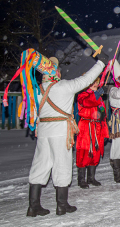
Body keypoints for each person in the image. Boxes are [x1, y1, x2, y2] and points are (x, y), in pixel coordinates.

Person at [11, 49, 108, 216]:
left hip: (43, 131)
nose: (60, 72)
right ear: (54, 72)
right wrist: (101, 63)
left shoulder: (38, 89)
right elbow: (86, 80)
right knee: (62, 164)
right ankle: (62, 205)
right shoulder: (63, 86)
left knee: (40, 165)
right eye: (58, 70)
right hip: (60, 130)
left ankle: (33, 206)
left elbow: (33, 110)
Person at [76, 77, 109, 188]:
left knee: (95, 152)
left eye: (97, 82)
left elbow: (103, 115)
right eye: (93, 82)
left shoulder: (99, 98)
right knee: (85, 152)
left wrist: (105, 132)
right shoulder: (82, 95)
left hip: (97, 127)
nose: (95, 84)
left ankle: (91, 178)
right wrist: (97, 94)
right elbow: (87, 102)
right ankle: (81, 179)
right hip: (86, 126)